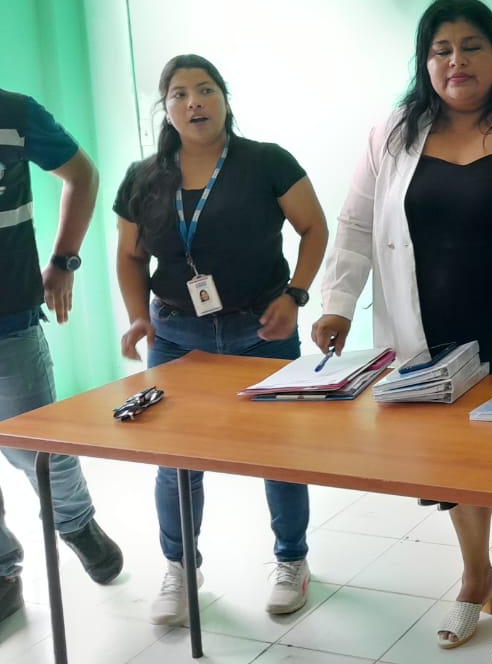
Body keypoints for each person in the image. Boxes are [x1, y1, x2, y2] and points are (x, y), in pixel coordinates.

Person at [315, 0, 492, 664]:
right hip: (429, 328)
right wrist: (337, 302)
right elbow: (354, 223)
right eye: (441, 50)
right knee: (450, 462)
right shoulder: (393, 134)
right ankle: (476, 574)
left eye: (471, 46)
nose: (456, 61)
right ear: (425, 61)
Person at [113, 54, 328, 626]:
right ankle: (181, 568)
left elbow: (314, 228)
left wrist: (296, 295)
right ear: (166, 108)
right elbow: (130, 256)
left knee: (278, 452)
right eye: (179, 94)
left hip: (262, 328)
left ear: (225, 99)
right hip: (175, 334)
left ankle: (292, 560)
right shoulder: (143, 178)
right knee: (175, 460)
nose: (194, 103)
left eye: (206, 90)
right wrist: (137, 317)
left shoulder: (266, 162)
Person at [0, 89, 124, 622]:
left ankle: (75, 523)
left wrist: (64, 260)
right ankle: (3, 571)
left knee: (39, 447)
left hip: (11, 319)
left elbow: (82, 175)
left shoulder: (13, 113)